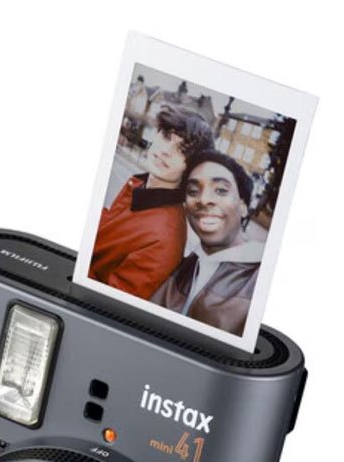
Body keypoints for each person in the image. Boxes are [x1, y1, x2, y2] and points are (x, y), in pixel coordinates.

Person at [89, 105, 214, 300]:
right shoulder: (140, 185)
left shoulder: (164, 239)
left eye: (182, 150)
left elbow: (107, 302)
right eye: (166, 136)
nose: (166, 151)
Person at [151, 150, 262, 336]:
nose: (203, 200)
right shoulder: (182, 265)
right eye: (193, 192)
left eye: (221, 190)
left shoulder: (260, 282)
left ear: (243, 207)